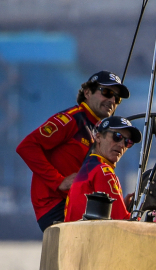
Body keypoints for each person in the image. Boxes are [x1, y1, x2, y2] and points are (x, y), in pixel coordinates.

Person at [16, 71, 130, 231]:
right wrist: (58, 181)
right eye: (107, 92)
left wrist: (119, 204)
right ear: (87, 93)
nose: (112, 100)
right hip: (54, 206)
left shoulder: (99, 132)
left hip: (76, 205)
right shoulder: (71, 119)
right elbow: (27, 146)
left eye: (116, 98)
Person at [63, 116, 141, 222]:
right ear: (98, 137)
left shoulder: (88, 167)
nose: (122, 145)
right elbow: (123, 221)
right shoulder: (103, 171)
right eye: (117, 136)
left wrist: (122, 205)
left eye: (128, 142)